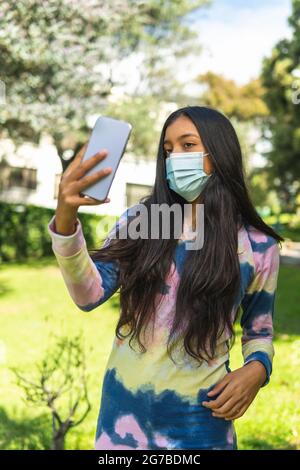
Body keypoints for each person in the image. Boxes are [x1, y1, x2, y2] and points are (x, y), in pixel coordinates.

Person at [47, 106, 283, 450]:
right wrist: (65, 220)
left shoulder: (259, 246)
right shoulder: (142, 221)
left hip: (201, 426)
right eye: (168, 149)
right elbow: (88, 294)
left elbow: (259, 329)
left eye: (188, 145)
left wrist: (258, 368)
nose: (175, 158)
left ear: (219, 153)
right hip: (122, 425)